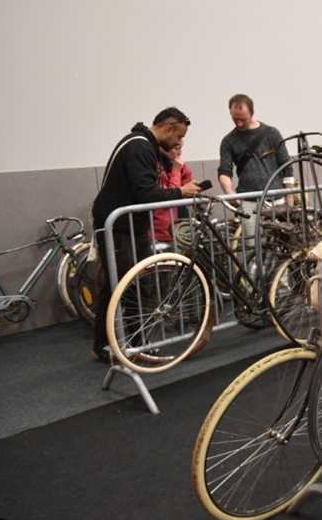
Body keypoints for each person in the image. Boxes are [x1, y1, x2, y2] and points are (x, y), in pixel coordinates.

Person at [90, 107, 203, 362]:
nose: (179, 143)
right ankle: (102, 345)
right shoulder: (138, 146)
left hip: (134, 226)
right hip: (119, 228)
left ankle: (137, 341)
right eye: (179, 137)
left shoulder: (146, 146)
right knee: (116, 286)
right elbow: (146, 194)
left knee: (140, 286)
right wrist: (180, 192)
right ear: (168, 129)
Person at [217, 94, 294, 244]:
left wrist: (289, 199)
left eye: (243, 119)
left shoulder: (272, 133)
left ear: (252, 113)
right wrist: (229, 192)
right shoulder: (228, 141)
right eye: (235, 119)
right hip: (248, 202)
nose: (239, 124)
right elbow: (224, 170)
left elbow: (286, 165)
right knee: (252, 246)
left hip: (276, 200)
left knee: (280, 246)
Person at [151, 143, 194, 246]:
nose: (180, 153)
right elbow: (171, 195)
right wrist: (176, 170)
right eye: (176, 148)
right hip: (163, 229)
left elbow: (187, 178)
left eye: (180, 148)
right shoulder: (156, 166)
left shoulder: (174, 162)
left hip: (180, 220)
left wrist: (189, 189)